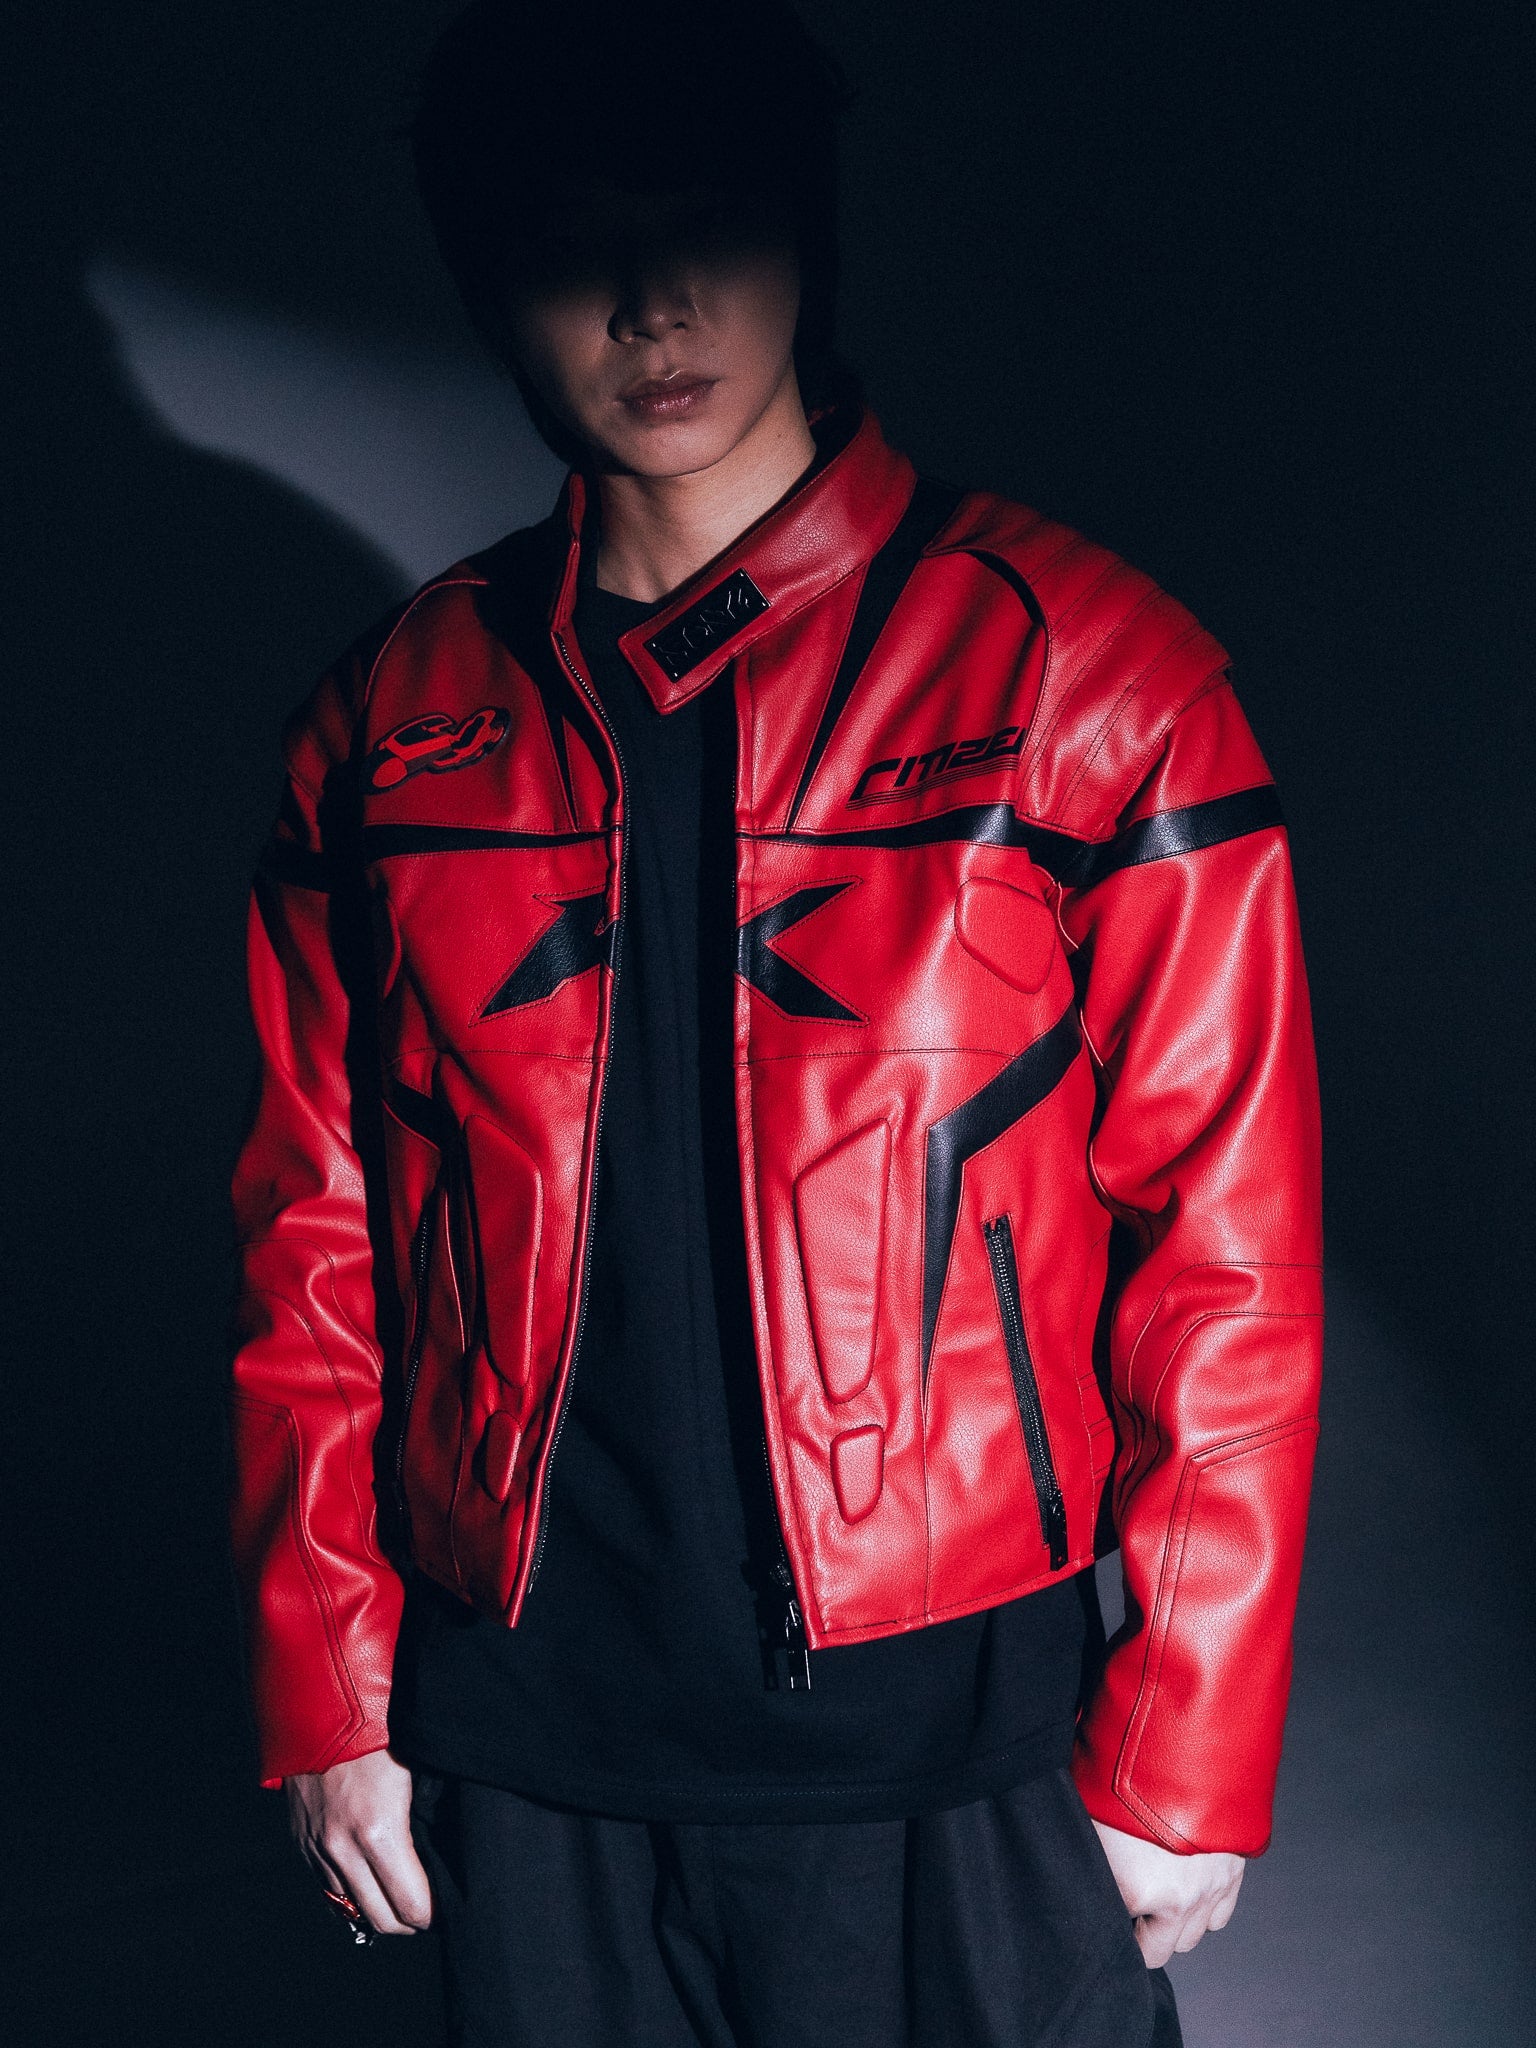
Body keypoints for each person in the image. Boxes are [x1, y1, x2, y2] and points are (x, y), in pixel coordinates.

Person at [227, 4, 1323, 2042]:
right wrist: (329, 1685)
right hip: (520, 1746)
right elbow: (318, 1237)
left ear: (807, 235)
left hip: (955, 1743)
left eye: (710, 222)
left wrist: (1189, 1738)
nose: (655, 304)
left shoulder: (1094, 676)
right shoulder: (384, 725)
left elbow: (1230, 1252)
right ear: (490, 284)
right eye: (577, 247)